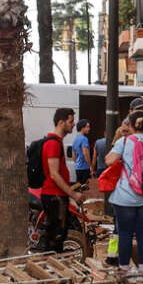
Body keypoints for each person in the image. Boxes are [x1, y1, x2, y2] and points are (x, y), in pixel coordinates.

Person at [104, 110, 143, 275]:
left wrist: (123, 159)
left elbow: (109, 160)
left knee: (125, 234)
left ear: (130, 125)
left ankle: (124, 268)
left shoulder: (124, 141)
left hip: (124, 197)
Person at [41, 107, 83, 253]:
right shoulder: (53, 143)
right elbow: (54, 174)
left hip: (57, 195)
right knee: (56, 235)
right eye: (71, 121)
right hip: (54, 196)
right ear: (61, 122)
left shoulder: (57, 142)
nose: (73, 125)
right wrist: (73, 194)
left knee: (59, 233)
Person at [72, 119, 92, 185]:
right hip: (84, 167)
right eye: (87, 127)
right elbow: (85, 153)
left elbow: (73, 155)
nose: (89, 129)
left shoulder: (75, 139)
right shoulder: (84, 139)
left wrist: (77, 163)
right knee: (84, 187)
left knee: (79, 185)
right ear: (82, 128)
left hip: (78, 167)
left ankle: (75, 194)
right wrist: (90, 166)